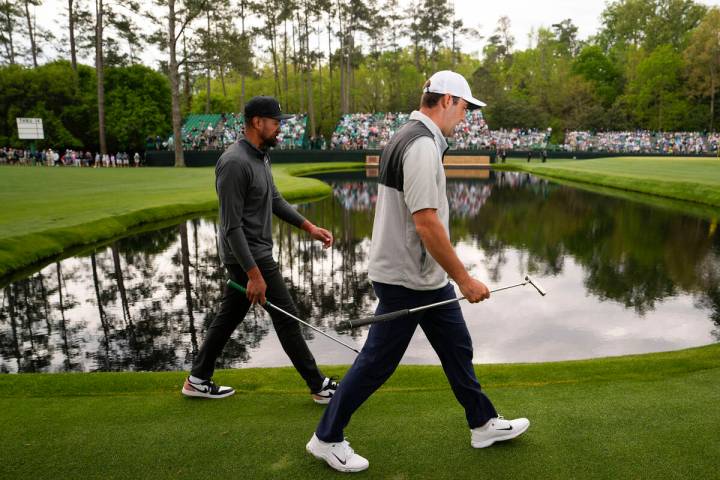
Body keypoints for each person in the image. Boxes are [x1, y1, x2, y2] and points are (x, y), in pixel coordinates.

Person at [306, 71, 530, 473]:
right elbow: (426, 223)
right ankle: (326, 438)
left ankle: (482, 423)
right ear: (445, 100)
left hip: (422, 276)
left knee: (457, 348)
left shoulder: (406, 133)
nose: (466, 117)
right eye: (464, 107)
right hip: (406, 276)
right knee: (377, 362)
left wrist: (449, 278)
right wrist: (465, 279)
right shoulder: (422, 146)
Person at [181, 96, 339, 404]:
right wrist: (254, 273)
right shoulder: (234, 163)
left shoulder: (259, 156)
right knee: (287, 317)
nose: (280, 128)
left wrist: (309, 227)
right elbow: (231, 226)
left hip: (255, 253)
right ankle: (318, 385)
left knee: (229, 316)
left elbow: (275, 200)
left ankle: (198, 379)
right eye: (276, 122)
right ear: (258, 122)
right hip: (249, 256)